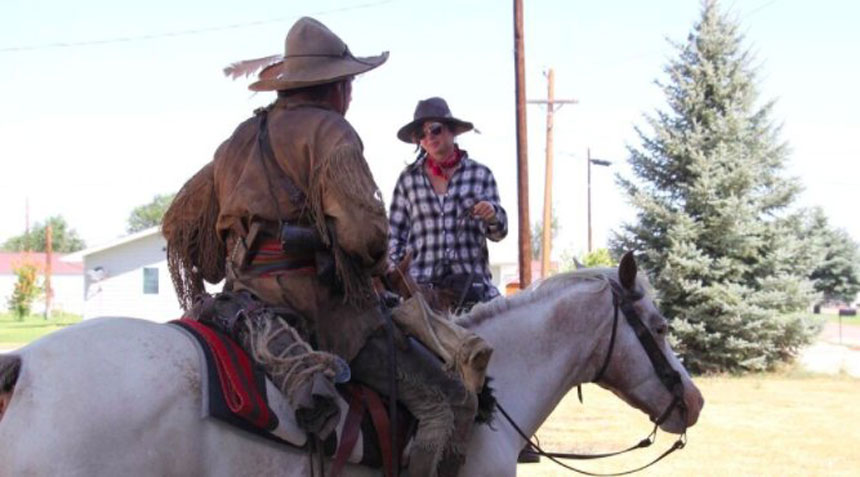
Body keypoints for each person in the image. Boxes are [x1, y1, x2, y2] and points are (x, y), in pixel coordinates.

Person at [162, 18, 476, 477]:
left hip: (242, 307)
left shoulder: (238, 139)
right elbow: (365, 236)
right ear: (337, 87)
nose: (350, 95)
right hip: (322, 313)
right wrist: (371, 264)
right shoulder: (332, 132)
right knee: (450, 405)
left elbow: (182, 230)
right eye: (349, 85)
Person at [389, 97, 508, 312]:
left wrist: (492, 215)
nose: (429, 137)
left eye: (435, 129)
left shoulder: (481, 174)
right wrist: (400, 278)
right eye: (422, 134)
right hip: (422, 294)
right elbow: (394, 238)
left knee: (510, 324)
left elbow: (499, 233)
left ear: (451, 130)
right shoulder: (407, 180)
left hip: (473, 290)